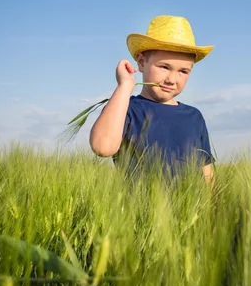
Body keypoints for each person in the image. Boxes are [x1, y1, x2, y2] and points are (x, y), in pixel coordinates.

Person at [89, 15, 215, 183]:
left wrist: (213, 207)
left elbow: (207, 174)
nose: (171, 79)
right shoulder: (126, 108)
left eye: (183, 71)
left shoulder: (194, 117)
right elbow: (102, 147)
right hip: (138, 209)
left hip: (189, 209)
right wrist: (124, 86)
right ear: (141, 62)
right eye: (164, 67)